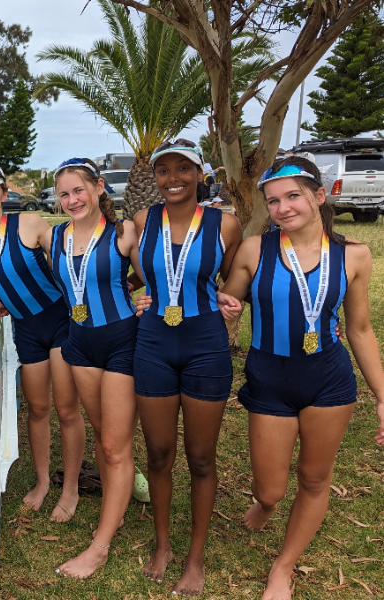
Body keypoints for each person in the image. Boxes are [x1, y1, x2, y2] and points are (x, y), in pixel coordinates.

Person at [216, 157, 384, 600]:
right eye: (273, 201)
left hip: (328, 379)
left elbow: (360, 329)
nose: (283, 208)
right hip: (269, 378)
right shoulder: (255, 250)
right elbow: (227, 299)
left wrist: (382, 396)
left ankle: (283, 567)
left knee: (313, 479)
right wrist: (225, 304)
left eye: (293, 196)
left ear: (319, 196)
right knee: (269, 487)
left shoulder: (354, 255)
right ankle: (266, 505)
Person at [0, 163, 85, 523]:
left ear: (5, 194)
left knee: (66, 410)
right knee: (37, 409)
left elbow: (67, 264)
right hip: (25, 329)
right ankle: (42, 482)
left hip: (59, 322)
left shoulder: (29, 224)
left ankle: (70, 489)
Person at [133, 139, 243, 596]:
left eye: (183, 168)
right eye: (163, 170)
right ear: (154, 176)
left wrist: (231, 298)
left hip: (205, 346)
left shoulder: (226, 223)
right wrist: (137, 294)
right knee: (158, 454)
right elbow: (133, 272)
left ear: (200, 174)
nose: (172, 178)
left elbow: (238, 272)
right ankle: (163, 545)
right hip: (155, 343)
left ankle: (195, 556)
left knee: (200, 457)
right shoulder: (143, 221)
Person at [48, 159, 142, 578]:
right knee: (104, 434)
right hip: (80, 345)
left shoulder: (123, 233)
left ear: (99, 187)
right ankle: (115, 506)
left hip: (122, 342)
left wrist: (148, 296)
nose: (72, 200)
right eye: (64, 194)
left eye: (79, 191)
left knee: (114, 446)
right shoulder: (55, 237)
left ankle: (99, 547)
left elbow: (154, 277)